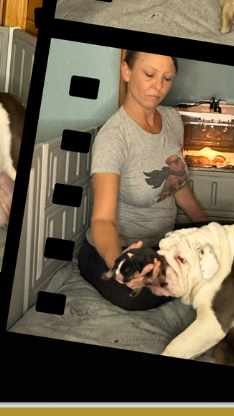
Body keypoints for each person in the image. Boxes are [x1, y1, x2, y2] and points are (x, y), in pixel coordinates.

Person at [79, 52, 208, 310]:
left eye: (167, 78)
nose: (158, 86)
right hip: (122, 249)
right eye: (149, 74)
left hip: (164, 245)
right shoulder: (114, 138)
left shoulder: (172, 119)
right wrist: (122, 266)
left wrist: (207, 230)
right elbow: (103, 221)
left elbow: (178, 186)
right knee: (137, 292)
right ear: (127, 72)